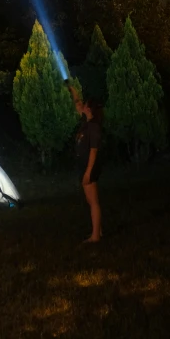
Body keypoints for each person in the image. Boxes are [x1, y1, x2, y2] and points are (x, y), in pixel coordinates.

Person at [65, 80, 103, 243]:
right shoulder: (86, 122)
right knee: (90, 201)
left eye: (86, 105)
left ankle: (95, 237)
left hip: (90, 167)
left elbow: (94, 151)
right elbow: (77, 103)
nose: (83, 106)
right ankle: (98, 231)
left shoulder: (93, 127)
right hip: (84, 166)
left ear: (90, 109)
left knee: (93, 202)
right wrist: (71, 89)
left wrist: (88, 172)